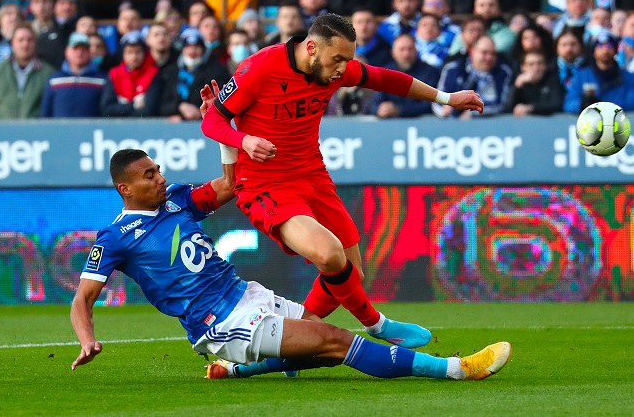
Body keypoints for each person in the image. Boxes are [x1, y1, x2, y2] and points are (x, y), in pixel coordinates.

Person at [70, 90, 511, 379]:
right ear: (125, 188)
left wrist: (225, 130)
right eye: (149, 175)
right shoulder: (114, 238)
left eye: (158, 169)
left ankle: (236, 371)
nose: (160, 177)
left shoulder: (178, 200)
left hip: (247, 295)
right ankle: (455, 369)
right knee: (337, 341)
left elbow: (230, 184)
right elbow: (82, 300)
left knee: (321, 347)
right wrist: (87, 340)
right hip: (219, 322)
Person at [201, 13, 484, 348]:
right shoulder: (259, 68)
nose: (342, 68)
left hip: (313, 176)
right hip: (265, 184)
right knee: (330, 255)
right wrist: (244, 140)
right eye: (337, 59)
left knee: (351, 273)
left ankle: (292, 346)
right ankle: (377, 324)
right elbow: (213, 120)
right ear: (311, 48)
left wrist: (446, 98)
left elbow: (385, 79)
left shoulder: (335, 68)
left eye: (347, 59)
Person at [0, 24, 54, 119]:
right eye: (20, 40)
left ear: (36, 43)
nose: (25, 45)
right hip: (3, 128)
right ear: (12, 43)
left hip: (35, 128)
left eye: (29, 40)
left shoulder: (48, 73)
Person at [434, 35, 512, 119]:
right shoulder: (452, 69)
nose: (489, 58)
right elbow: (437, 98)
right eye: (484, 52)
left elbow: (501, 104)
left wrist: (472, 113)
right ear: (472, 52)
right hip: (450, 123)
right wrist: (444, 110)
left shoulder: (503, 72)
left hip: (490, 124)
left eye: (493, 53)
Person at [371, 34, 440, 119]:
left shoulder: (430, 73)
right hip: (390, 124)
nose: (406, 54)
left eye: (410, 49)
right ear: (393, 53)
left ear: (416, 51)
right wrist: (379, 110)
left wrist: (400, 110)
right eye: (402, 50)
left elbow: (431, 105)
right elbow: (374, 103)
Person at [564, 30, 634, 113]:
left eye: (609, 46)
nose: (605, 50)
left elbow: (631, 103)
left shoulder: (628, 77)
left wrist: (602, 106)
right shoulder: (581, 76)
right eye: (600, 46)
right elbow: (568, 104)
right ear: (593, 51)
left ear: (615, 50)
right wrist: (583, 104)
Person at [41, 32, 106, 118]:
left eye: (84, 49)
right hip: (60, 127)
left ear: (89, 52)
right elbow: (45, 113)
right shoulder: (54, 79)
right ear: (67, 52)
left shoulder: (102, 80)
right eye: (75, 48)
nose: (80, 52)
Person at [505, 49, 564, 117]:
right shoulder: (519, 82)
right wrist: (517, 86)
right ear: (522, 67)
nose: (536, 68)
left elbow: (556, 105)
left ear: (545, 66)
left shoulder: (553, 80)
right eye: (531, 64)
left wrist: (531, 108)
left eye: (540, 63)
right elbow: (507, 109)